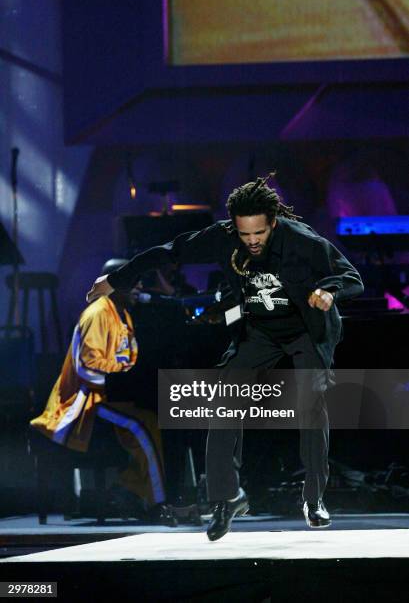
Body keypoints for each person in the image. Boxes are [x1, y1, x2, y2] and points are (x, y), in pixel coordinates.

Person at [87, 174, 364, 540]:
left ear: (273, 224)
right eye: (244, 234)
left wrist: (329, 292)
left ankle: (313, 498)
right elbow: (168, 251)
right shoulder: (222, 236)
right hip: (261, 330)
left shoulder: (301, 240)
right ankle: (227, 498)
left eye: (259, 234)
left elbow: (352, 276)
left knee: (311, 404)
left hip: (305, 328)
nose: (251, 241)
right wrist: (117, 279)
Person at [31, 260, 177, 526]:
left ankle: (129, 489)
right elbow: (88, 367)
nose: (140, 287)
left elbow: (126, 358)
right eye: (135, 282)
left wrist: (130, 374)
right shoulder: (97, 313)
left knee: (153, 422)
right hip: (85, 399)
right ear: (116, 284)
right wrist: (124, 374)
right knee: (142, 426)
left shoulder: (121, 313)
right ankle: (157, 504)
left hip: (107, 395)